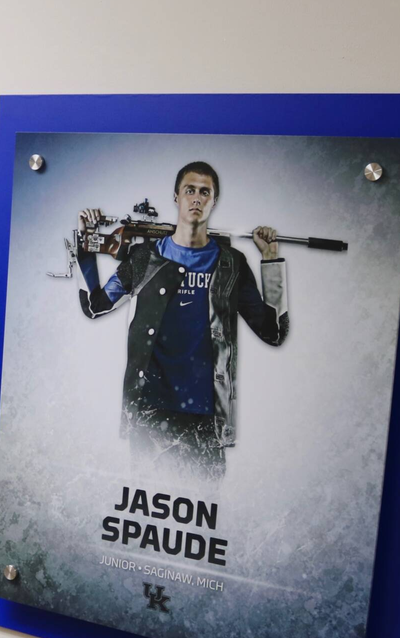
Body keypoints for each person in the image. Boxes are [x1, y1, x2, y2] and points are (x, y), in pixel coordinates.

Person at [75, 161, 287, 481]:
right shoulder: (145, 257)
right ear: (176, 197)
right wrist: (86, 239)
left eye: (205, 192)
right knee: (145, 498)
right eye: (190, 190)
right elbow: (95, 306)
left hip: (207, 415)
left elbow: (273, 332)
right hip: (150, 408)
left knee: (202, 502)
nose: (197, 198)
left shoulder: (231, 263)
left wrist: (270, 259)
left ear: (214, 200)